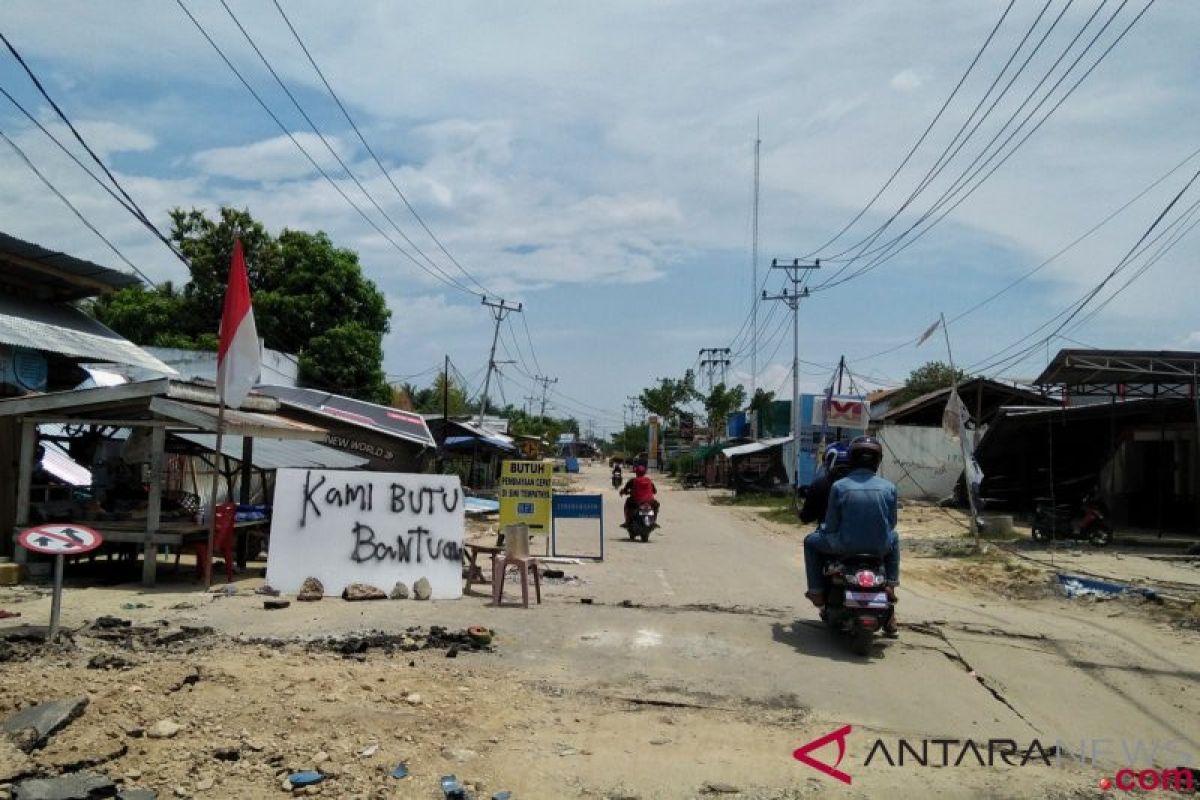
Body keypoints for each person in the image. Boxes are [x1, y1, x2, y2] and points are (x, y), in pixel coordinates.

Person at [802, 435, 900, 634]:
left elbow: (831, 524)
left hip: (843, 546)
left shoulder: (839, 486)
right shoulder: (889, 487)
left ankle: (816, 592)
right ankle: (891, 584)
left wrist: (825, 531)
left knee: (810, 543)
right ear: (878, 460)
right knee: (895, 537)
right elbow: (892, 523)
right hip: (878, 547)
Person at [798, 443, 850, 525]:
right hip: (858, 534)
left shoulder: (820, 484)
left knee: (811, 538)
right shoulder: (863, 483)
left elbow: (806, 517)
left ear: (830, 461)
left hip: (829, 534)